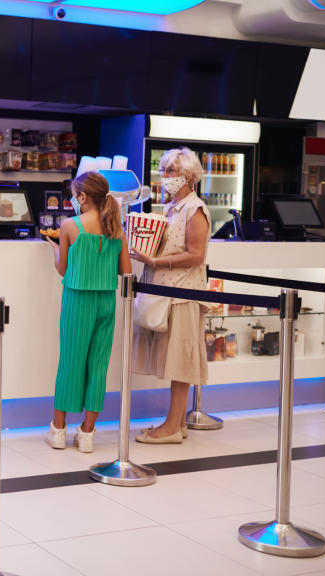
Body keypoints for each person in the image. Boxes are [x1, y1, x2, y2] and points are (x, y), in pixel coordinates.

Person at [44, 172, 132, 452]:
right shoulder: (115, 227)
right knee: (98, 365)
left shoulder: (70, 225)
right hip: (106, 301)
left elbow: (62, 268)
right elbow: (126, 271)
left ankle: (59, 429)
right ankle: (88, 433)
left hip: (77, 299)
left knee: (71, 361)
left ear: (82, 197)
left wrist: (55, 248)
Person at [131, 147, 211, 444]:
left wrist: (155, 261)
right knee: (173, 359)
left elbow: (195, 255)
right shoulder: (170, 208)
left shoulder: (195, 209)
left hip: (183, 295)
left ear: (189, 176)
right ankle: (175, 422)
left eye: (171, 171)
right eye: (164, 170)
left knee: (180, 362)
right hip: (167, 293)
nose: (165, 177)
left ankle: (172, 427)